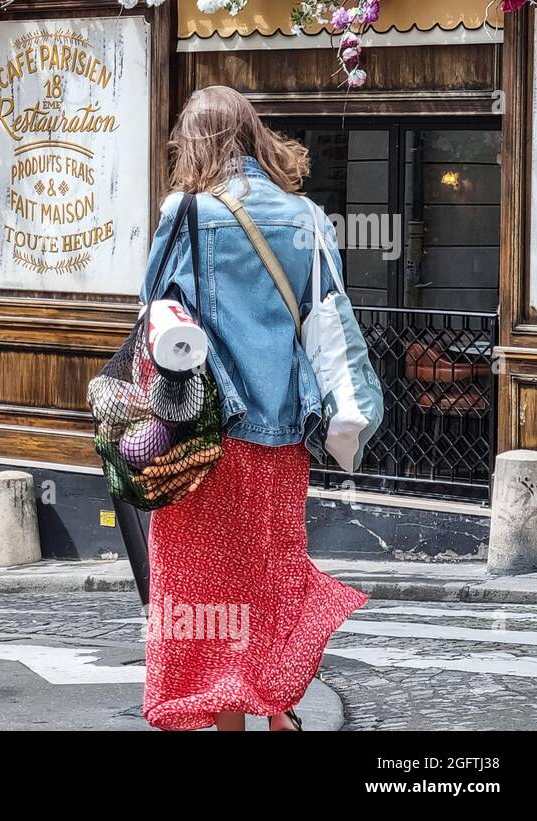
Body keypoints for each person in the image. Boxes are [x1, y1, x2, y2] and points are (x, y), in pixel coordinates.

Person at [139, 86, 370, 732]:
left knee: (204, 593)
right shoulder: (305, 218)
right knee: (270, 577)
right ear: (252, 135)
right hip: (283, 438)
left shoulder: (184, 212)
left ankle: (233, 720)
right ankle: (277, 713)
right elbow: (331, 328)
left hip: (207, 435)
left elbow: (154, 313)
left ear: (194, 141)